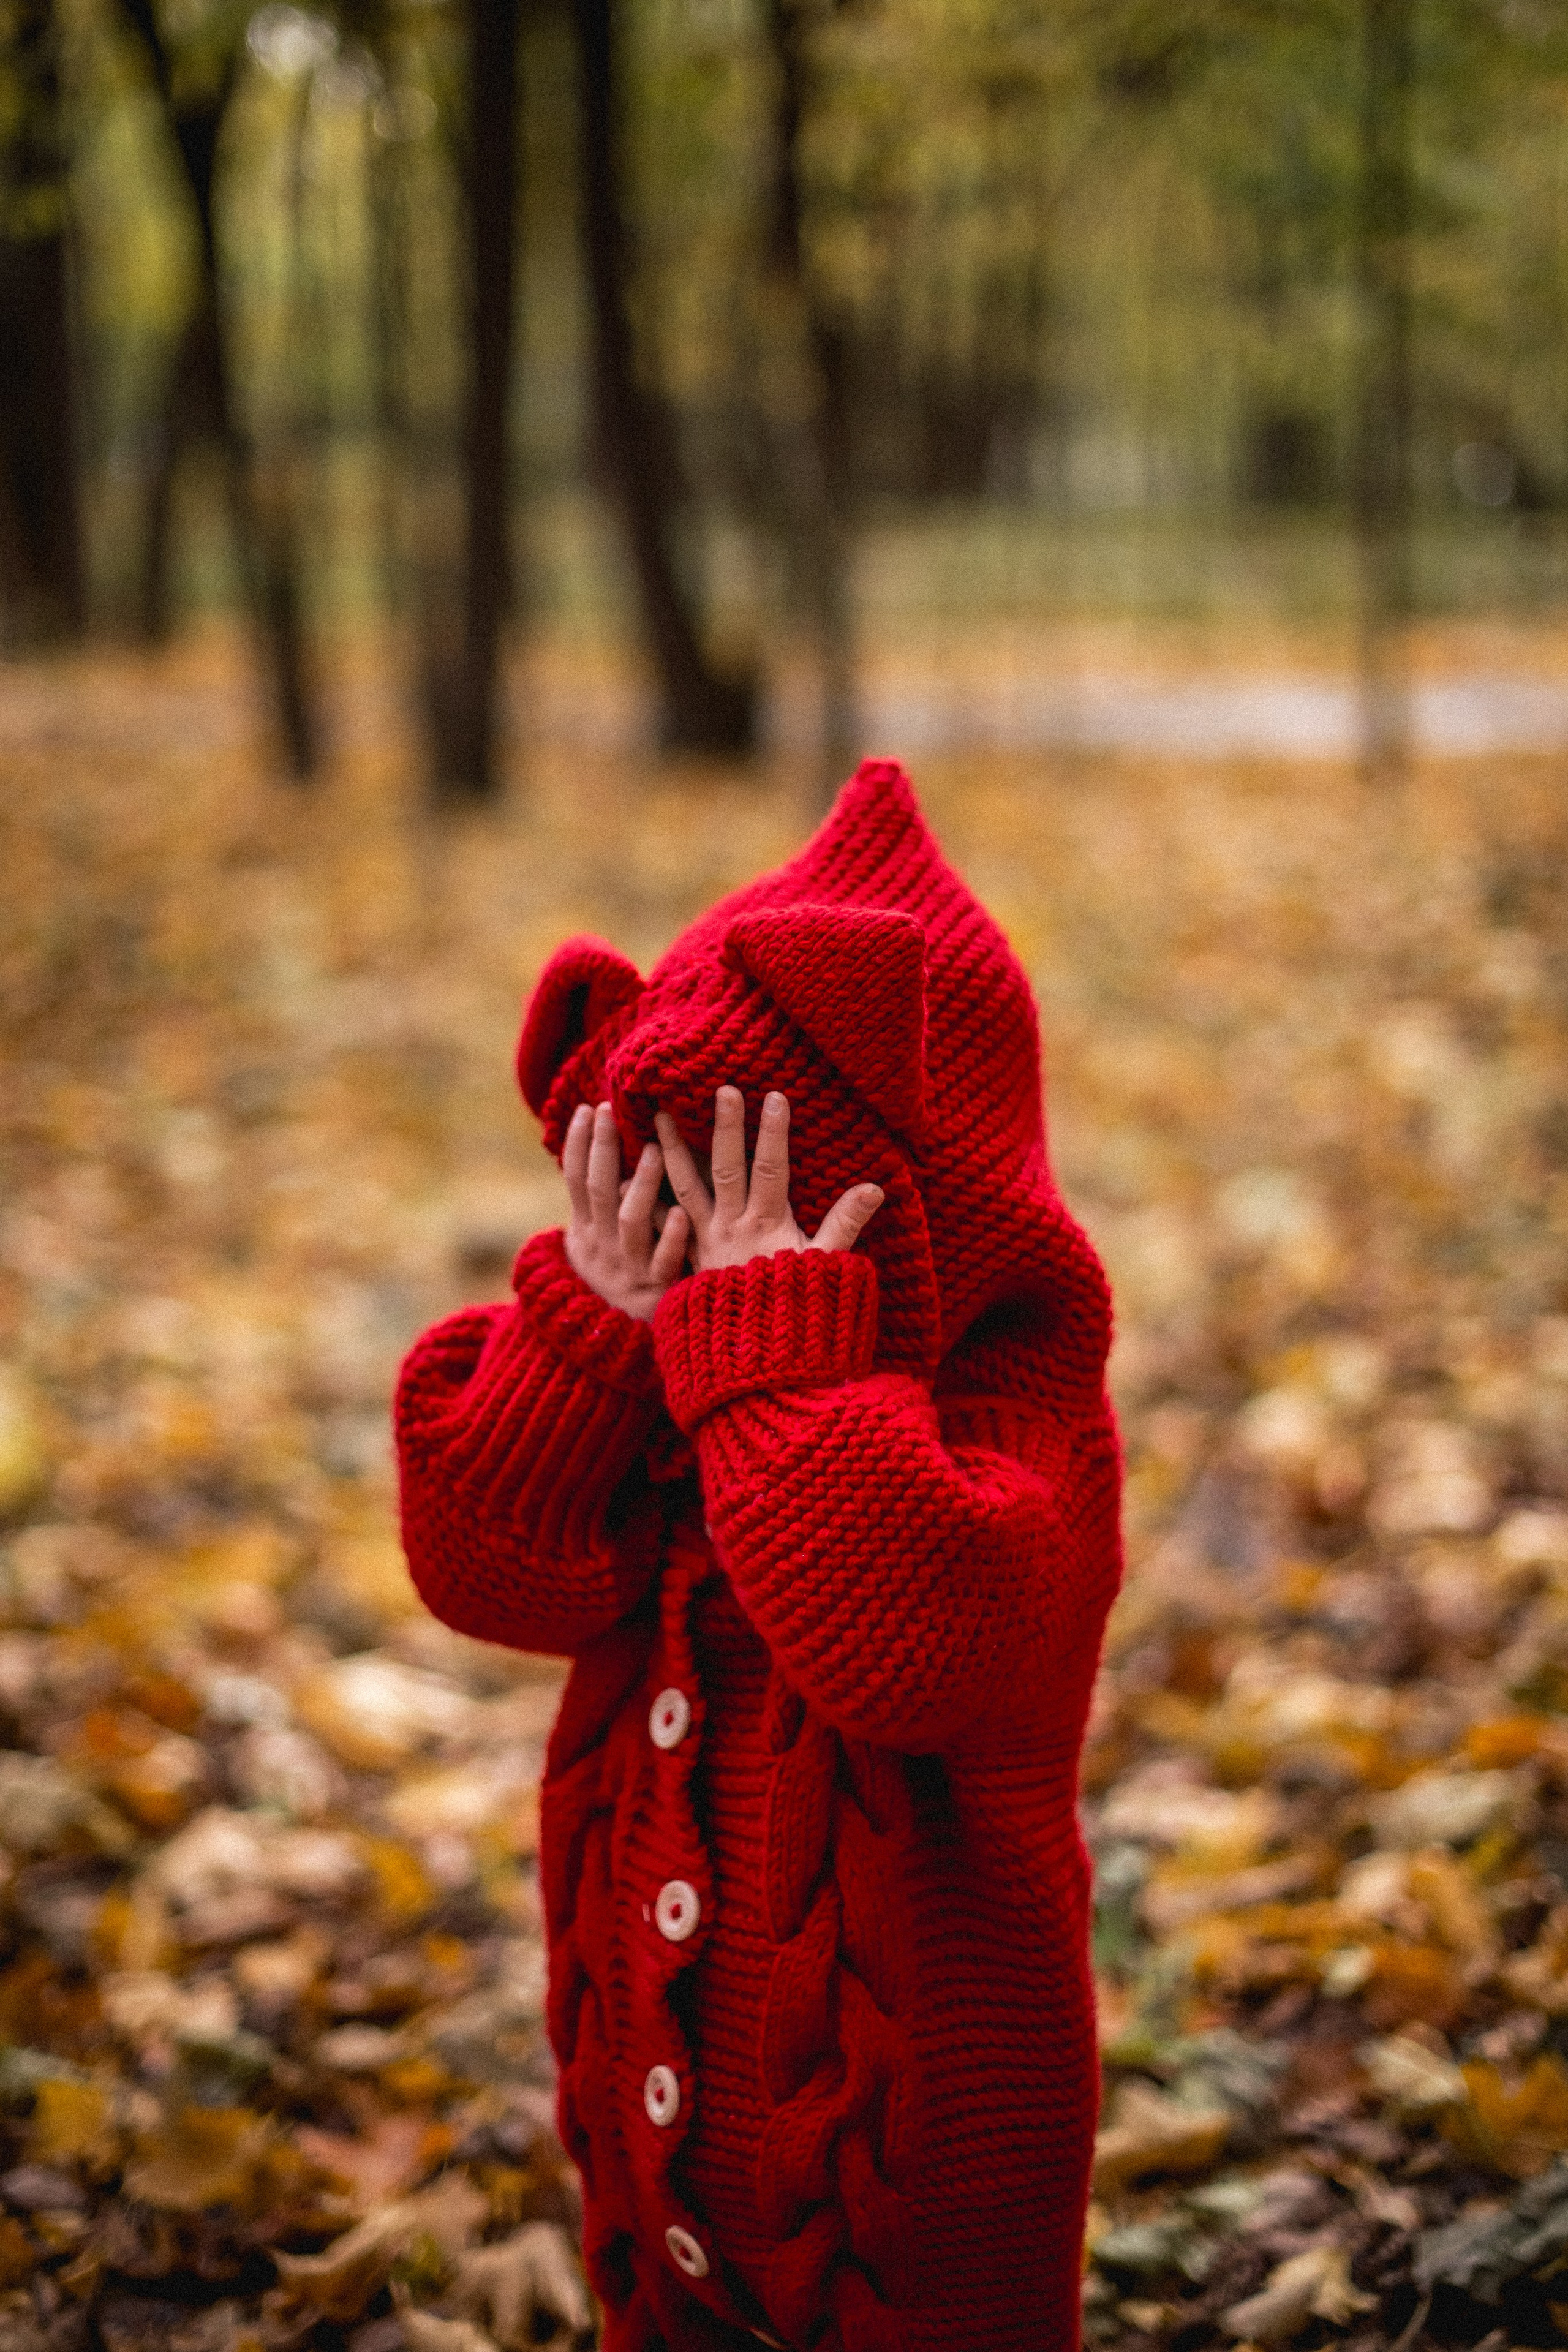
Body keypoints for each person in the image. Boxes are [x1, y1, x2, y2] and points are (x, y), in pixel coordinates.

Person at [395, 758, 1123, 2352]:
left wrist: (774, 1348)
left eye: (741, 1194)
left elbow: (908, 1647)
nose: (704, 1246)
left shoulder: (1020, 1425)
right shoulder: (674, 1372)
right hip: (652, 2177)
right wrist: (590, 1329)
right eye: (663, 1181)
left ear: (923, 1207)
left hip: (910, 2209)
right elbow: (485, 1570)